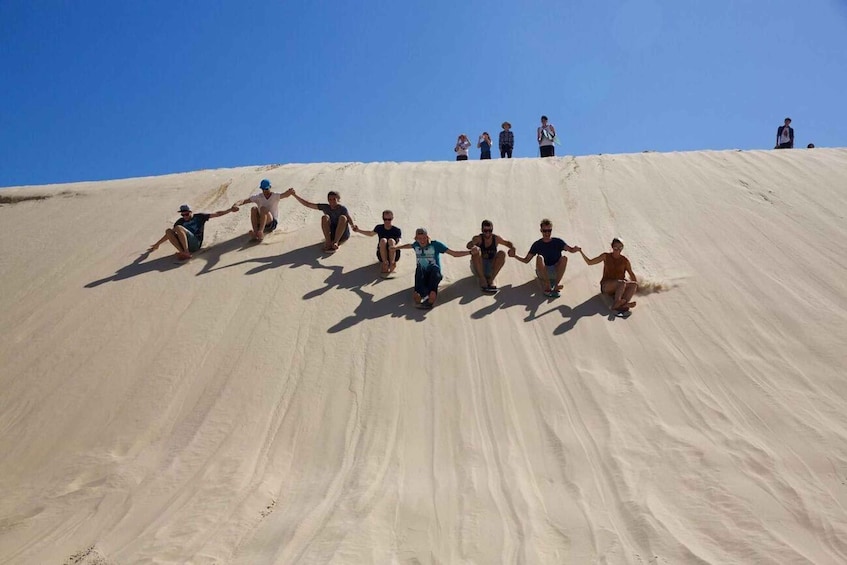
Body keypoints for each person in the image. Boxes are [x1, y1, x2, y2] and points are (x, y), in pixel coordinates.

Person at [390, 228, 472, 308]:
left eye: (424, 238)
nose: (422, 240)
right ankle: (419, 294)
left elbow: (454, 253)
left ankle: (432, 295)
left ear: (427, 237)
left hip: (435, 274)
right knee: (419, 269)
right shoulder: (416, 245)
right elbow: (408, 246)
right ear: (416, 238)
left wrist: (470, 252)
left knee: (434, 268)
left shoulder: (435, 245)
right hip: (422, 275)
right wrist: (396, 248)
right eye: (419, 238)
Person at [509, 219, 581, 298]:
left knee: (564, 258)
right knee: (539, 258)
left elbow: (570, 250)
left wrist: (575, 249)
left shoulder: (558, 242)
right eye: (545, 231)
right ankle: (548, 286)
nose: (547, 233)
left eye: (549, 231)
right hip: (543, 273)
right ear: (541, 230)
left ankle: (556, 285)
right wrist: (514, 255)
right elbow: (526, 260)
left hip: (556, 272)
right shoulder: (537, 244)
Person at [149, 203, 237, 260]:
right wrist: (157, 244)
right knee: (168, 231)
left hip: (195, 243)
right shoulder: (180, 221)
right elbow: (168, 235)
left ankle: (186, 252)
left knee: (179, 228)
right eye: (183, 214)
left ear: (191, 212)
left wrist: (230, 210)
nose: (185, 216)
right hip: (184, 244)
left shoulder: (199, 217)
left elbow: (217, 214)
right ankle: (183, 252)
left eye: (186, 214)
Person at [579, 238, 638, 312]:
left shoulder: (625, 261)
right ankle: (616, 305)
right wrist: (580, 252)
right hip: (606, 286)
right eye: (616, 248)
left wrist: (636, 287)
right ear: (612, 247)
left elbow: (631, 274)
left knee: (634, 285)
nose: (618, 250)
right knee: (622, 282)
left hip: (619, 288)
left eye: (620, 248)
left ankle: (624, 303)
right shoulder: (606, 256)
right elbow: (590, 262)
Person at [291, 189, 358, 252]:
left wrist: (353, 226)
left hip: (343, 234)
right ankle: (328, 242)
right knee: (324, 217)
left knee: (343, 217)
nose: (332, 201)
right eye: (330, 199)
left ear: (338, 199)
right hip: (332, 233)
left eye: (334, 199)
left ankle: (336, 242)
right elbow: (308, 204)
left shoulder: (342, 208)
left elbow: (348, 218)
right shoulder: (325, 207)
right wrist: (294, 195)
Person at [466, 219, 515, 291]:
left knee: (502, 254)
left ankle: (491, 279)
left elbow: (507, 243)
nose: (488, 233)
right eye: (485, 231)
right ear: (482, 230)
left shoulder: (496, 238)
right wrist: (473, 243)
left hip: (491, 265)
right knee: (476, 252)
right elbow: (468, 246)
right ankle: (482, 279)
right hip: (480, 266)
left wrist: (513, 248)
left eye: (490, 230)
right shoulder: (479, 238)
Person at [353, 210, 402, 275]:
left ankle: (392, 264)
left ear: (392, 218)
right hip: (382, 255)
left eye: (389, 219)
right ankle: (385, 263)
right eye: (385, 219)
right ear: (383, 218)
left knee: (391, 240)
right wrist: (358, 230)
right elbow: (370, 234)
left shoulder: (396, 230)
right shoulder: (379, 228)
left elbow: (400, 242)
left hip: (394, 254)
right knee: (383, 240)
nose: (387, 221)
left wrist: (395, 247)